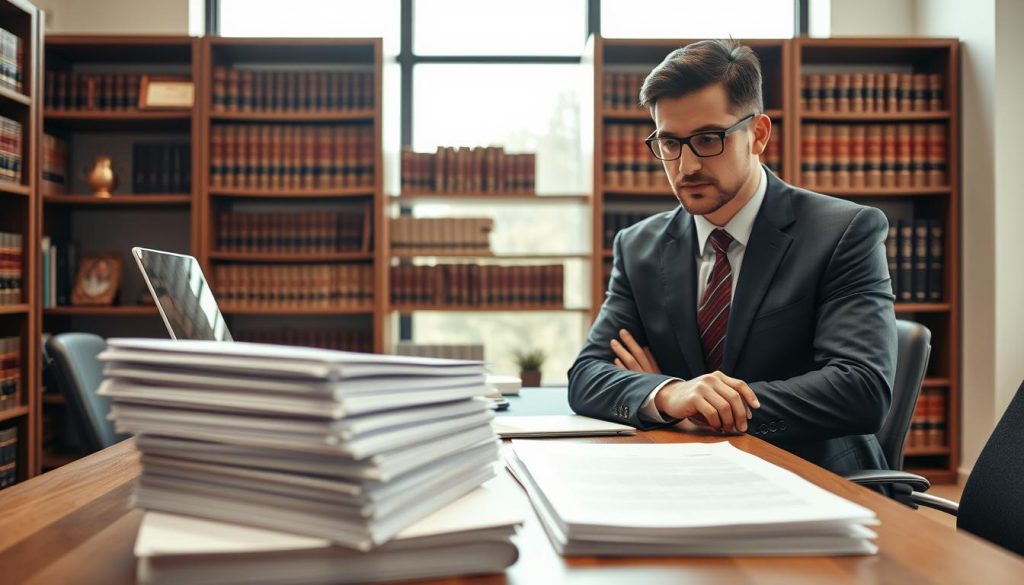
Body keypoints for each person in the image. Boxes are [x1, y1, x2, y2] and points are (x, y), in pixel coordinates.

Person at [567, 39, 897, 475]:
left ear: (758, 134)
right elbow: (587, 375)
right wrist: (669, 395)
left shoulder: (844, 232)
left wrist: (705, 407)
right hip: (684, 477)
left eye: (708, 139)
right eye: (669, 143)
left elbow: (861, 389)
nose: (685, 167)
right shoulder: (638, 246)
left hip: (816, 480)